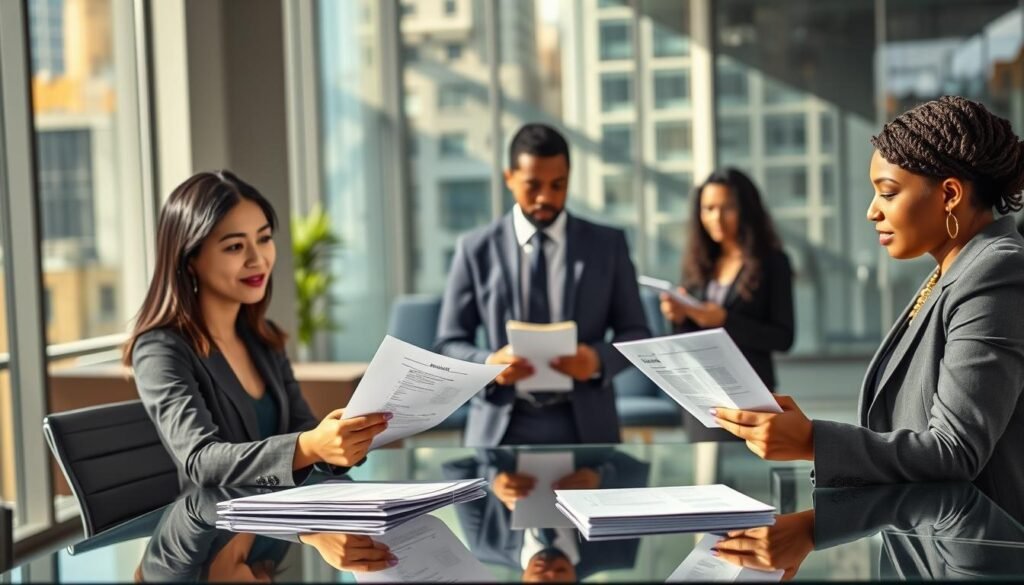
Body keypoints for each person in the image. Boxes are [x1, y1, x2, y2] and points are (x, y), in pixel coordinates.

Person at [710, 97, 1024, 507]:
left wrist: (812, 441)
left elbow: (954, 450)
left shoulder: (994, 273)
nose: (871, 211)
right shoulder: (953, 270)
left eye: (888, 193)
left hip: (974, 552)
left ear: (949, 194)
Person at [125, 171, 389, 489]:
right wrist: (309, 446)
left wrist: (342, 438)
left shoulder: (261, 337)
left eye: (264, 239)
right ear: (190, 258)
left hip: (280, 523)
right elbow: (202, 460)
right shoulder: (160, 349)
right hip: (214, 530)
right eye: (235, 247)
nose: (258, 259)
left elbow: (301, 426)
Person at [435, 123, 650, 446]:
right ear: (509, 178)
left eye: (558, 184)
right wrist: (489, 364)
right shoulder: (475, 248)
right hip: (500, 428)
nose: (545, 197)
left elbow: (637, 334)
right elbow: (448, 343)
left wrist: (597, 360)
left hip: (587, 426)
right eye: (532, 185)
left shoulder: (609, 245)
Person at [659, 168, 794, 441]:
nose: (716, 218)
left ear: (746, 210)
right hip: (704, 396)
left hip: (751, 399)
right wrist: (678, 316)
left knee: (748, 480)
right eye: (708, 208)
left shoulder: (773, 262)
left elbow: (783, 337)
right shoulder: (698, 265)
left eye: (727, 208)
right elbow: (686, 340)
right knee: (703, 478)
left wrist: (724, 319)